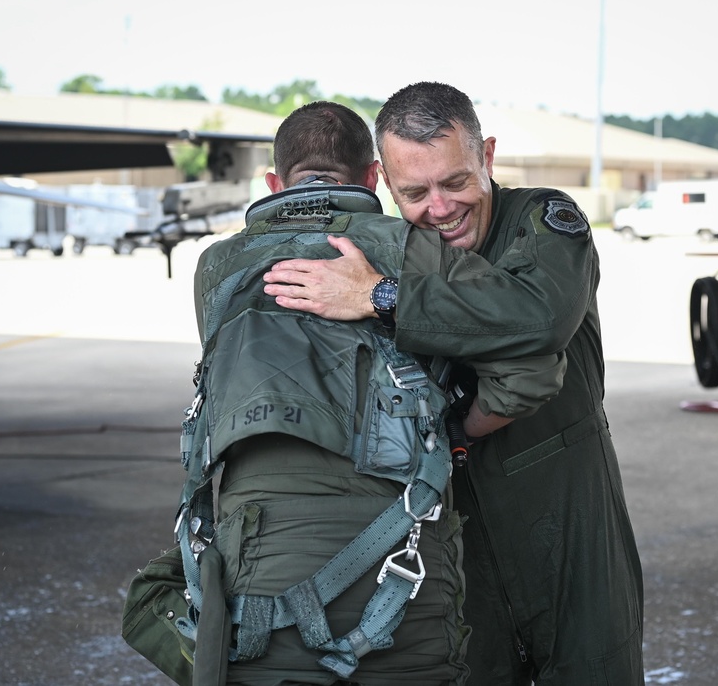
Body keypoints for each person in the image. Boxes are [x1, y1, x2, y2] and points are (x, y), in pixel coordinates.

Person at [262, 83, 645, 685]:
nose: (439, 208)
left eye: (456, 182)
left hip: (569, 526)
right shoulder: (387, 252)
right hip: (454, 546)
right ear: (384, 183)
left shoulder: (543, 223)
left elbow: (540, 317)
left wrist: (378, 298)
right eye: (414, 192)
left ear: (487, 157)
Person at [184, 100, 563, 686]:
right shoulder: (412, 248)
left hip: (254, 576)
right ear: (371, 179)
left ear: (273, 182)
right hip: (401, 572)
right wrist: (453, 426)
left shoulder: (216, 267)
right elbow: (530, 368)